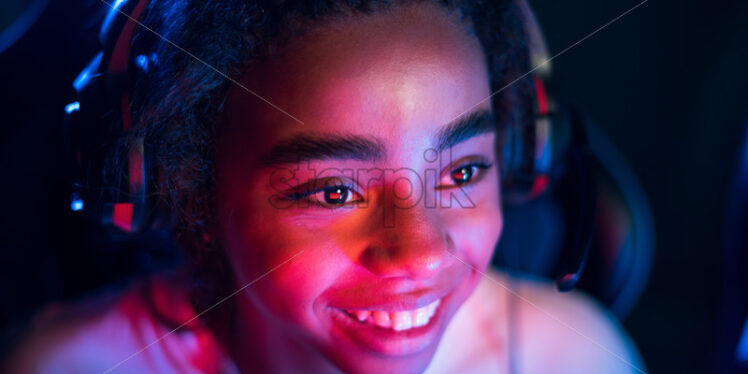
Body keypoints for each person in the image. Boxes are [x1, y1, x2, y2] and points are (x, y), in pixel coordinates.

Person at [3, 0, 645, 373]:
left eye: (462, 172)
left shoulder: (572, 355)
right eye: (335, 192)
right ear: (189, 192)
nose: (420, 253)